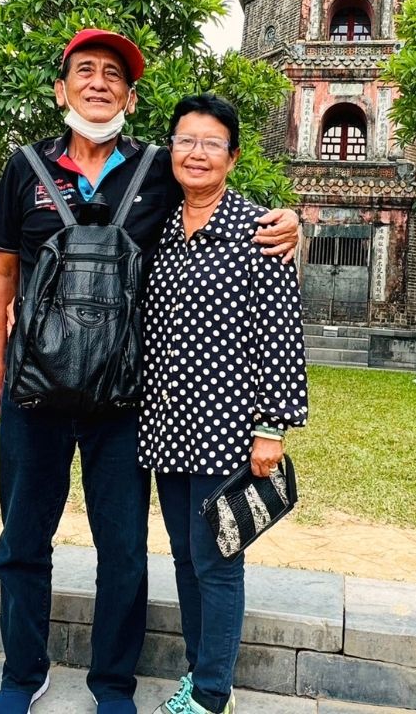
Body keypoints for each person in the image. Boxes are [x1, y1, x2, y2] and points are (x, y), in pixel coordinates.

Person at [0, 30, 299, 714]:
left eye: (113, 75)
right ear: (61, 88)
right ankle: (21, 674)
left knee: (122, 549)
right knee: (22, 540)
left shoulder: (155, 167)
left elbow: (222, 198)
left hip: (123, 400)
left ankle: (112, 684)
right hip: (32, 392)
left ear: (130, 95)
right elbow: (2, 272)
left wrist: (292, 219)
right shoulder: (23, 169)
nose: (98, 83)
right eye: (84, 71)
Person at [139, 95, 310, 714]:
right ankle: (197, 670)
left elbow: (281, 335)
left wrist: (272, 429)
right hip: (165, 424)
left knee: (216, 562)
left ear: (232, 157)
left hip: (229, 428)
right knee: (185, 558)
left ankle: (212, 694)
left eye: (212, 143)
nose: (197, 153)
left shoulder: (259, 230)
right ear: (172, 152)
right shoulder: (158, 229)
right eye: (186, 141)